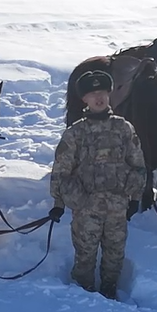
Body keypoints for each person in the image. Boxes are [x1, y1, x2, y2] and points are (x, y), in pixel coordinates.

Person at [48, 70, 147, 299]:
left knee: (114, 254)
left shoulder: (123, 128)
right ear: (85, 99)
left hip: (117, 207)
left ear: (109, 94)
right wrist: (59, 204)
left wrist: (134, 197)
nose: (98, 98)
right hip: (86, 209)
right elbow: (61, 171)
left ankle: (109, 293)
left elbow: (138, 164)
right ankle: (83, 295)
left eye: (102, 92)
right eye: (93, 94)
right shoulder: (75, 133)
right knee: (85, 255)